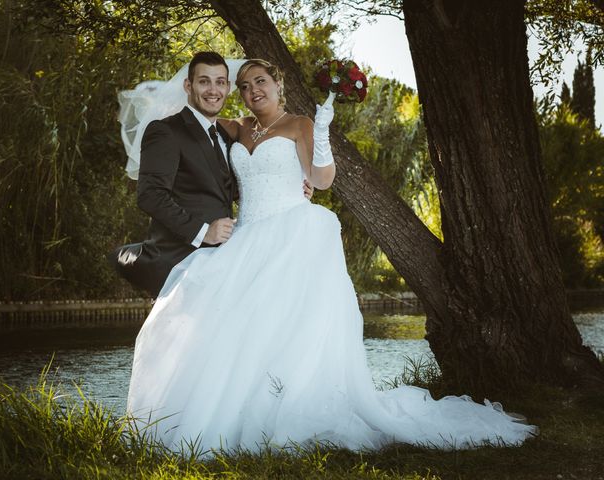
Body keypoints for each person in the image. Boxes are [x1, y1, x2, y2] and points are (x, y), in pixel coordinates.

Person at [126, 58, 537, 454]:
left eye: (260, 83)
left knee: (292, 328)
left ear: (278, 85)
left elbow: (321, 181)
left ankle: (289, 412)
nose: (253, 91)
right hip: (246, 237)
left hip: (292, 233)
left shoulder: (300, 124)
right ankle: (246, 411)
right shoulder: (238, 128)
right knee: (246, 328)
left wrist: (320, 136)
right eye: (246, 86)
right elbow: (203, 131)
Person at [108, 52, 311, 297]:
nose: (212, 90)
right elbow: (150, 195)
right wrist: (203, 232)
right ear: (188, 85)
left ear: (227, 88)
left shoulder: (226, 136)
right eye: (204, 81)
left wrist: (291, 185)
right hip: (181, 262)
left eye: (220, 82)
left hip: (224, 260)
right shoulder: (166, 130)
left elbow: (235, 186)